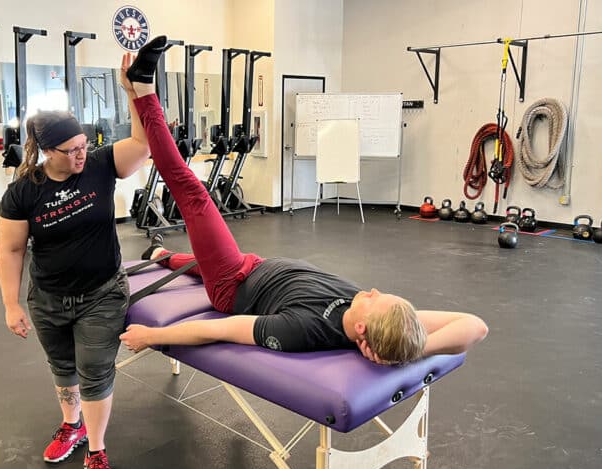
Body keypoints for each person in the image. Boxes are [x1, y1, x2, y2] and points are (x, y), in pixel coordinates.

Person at [120, 36, 488, 365]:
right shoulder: (386, 322)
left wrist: (152, 336)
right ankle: (160, 257)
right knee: (195, 256)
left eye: (376, 298)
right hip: (257, 267)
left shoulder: (304, 330)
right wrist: (414, 350)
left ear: (360, 328)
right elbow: (475, 325)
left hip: (232, 282)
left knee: (191, 190)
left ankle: (144, 89)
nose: (373, 290)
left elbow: (222, 329)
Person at [0, 54, 150, 469]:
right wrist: (10, 304)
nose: (83, 153)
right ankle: (72, 425)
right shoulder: (24, 192)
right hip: (48, 298)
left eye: (85, 143)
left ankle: (96, 449)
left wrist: (130, 90)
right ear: (48, 152)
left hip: (102, 292)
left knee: (96, 372)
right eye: (73, 149)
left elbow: (143, 143)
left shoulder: (101, 165)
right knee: (63, 369)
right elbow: (9, 250)